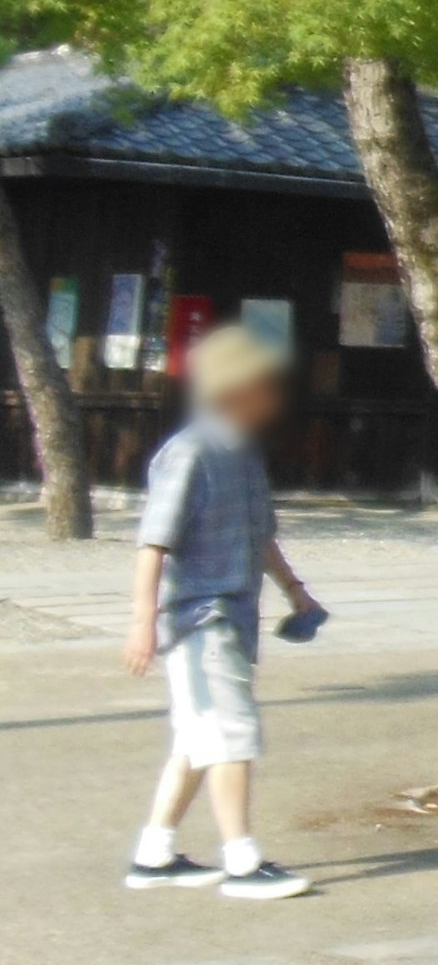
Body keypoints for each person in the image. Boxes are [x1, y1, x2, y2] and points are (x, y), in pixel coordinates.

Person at [122, 322, 321, 900]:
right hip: (198, 621)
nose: (274, 396)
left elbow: (260, 537)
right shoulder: (189, 453)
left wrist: (295, 591)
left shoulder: (242, 451)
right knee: (231, 733)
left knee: (197, 738)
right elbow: (152, 543)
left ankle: (154, 855)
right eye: (264, 383)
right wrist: (142, 624)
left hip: (236, 618)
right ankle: (241, 861)